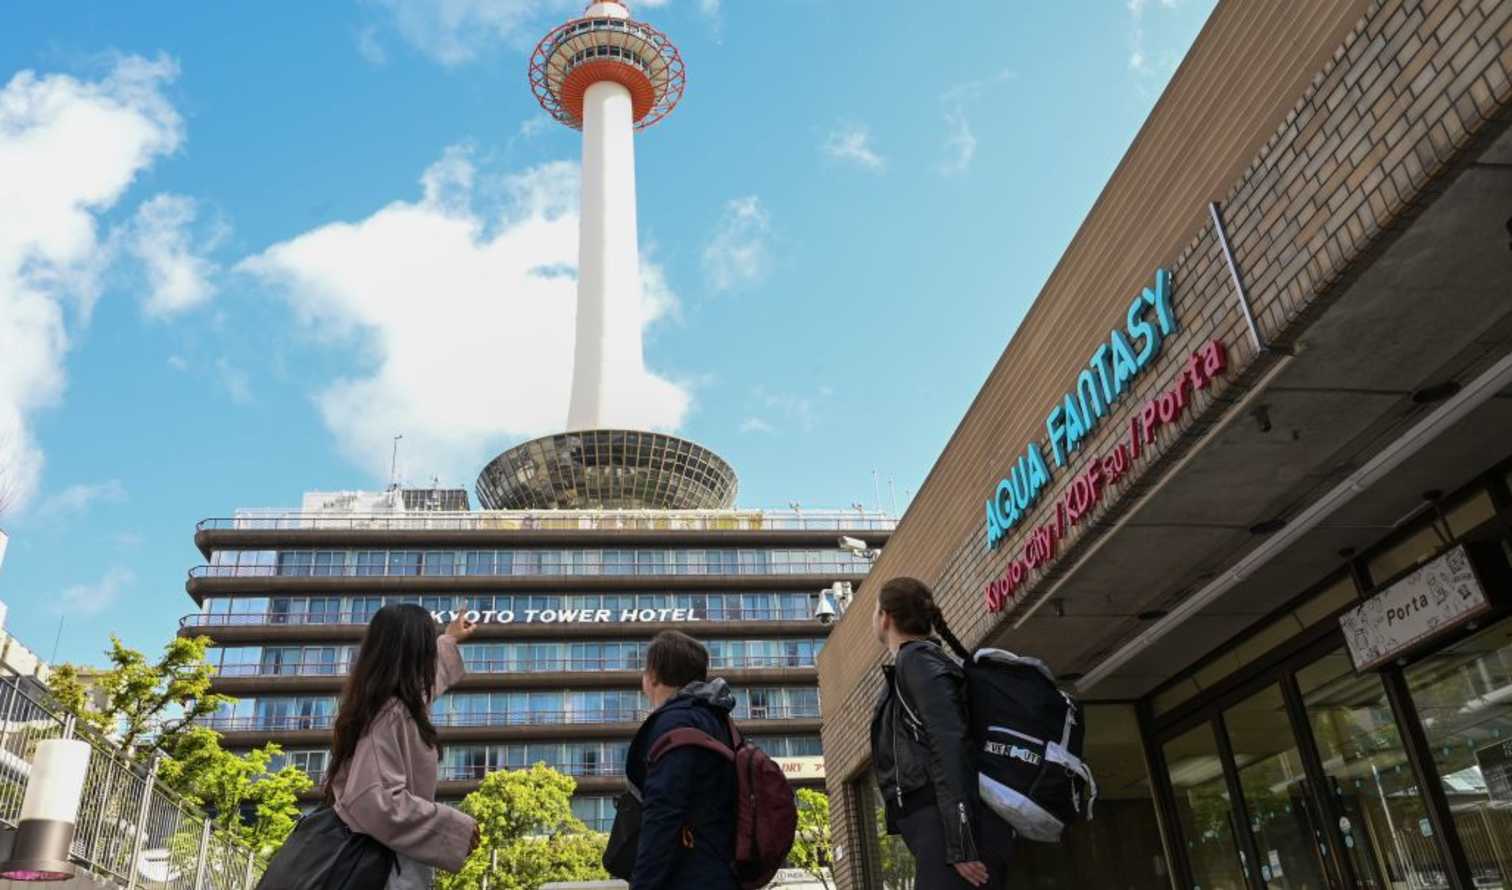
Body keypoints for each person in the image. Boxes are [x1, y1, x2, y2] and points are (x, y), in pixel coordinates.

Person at [324, 604, 482, 890]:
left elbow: (424, 686)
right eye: (428, 644)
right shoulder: (390, 713)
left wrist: (449, 639)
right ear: (416, 652)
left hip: (380, 862)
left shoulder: (383, 704)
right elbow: (375, 800)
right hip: (382, 871)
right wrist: (453, 828)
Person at [871, 577, 1013, 890]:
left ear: (886, 617)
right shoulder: (919, 661)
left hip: (951, 832)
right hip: (943, 832)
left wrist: (961, 840)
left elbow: (949, 743)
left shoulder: (918, 660)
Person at [624, 630, 738, 890]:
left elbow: (663, 812)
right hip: (722, 869)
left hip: (690, 874)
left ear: (652, 676)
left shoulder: (674, 723)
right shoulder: (717, 721)